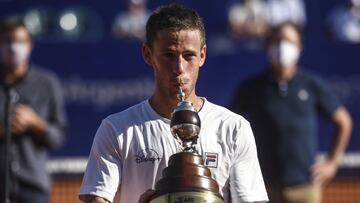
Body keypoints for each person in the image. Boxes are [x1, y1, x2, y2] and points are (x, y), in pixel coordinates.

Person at [79, 4, 268, 203]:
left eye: (189, 56)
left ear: (202, 55)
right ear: (148, 54)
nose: (179, 68)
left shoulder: (234, 128)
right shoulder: (116, 129)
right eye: (169, 55)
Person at [230, 22, 353, 203]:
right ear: (268, 46)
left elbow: (344, 121)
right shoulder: (251, 87)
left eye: (288, 41)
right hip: (263, 188)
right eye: (277, 41)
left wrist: (332, 164)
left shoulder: (311, 84)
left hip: (305, 187)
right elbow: (230, 125)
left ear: (299, 48)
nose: (282, 46)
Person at [0, 16, 67, 203]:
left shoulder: (47, 84)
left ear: (29, 45)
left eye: (20, 41)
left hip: (33, 187)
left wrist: (34, 123)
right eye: (7, 41)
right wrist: (5, 128)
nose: (13, 47)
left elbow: (58, 136)